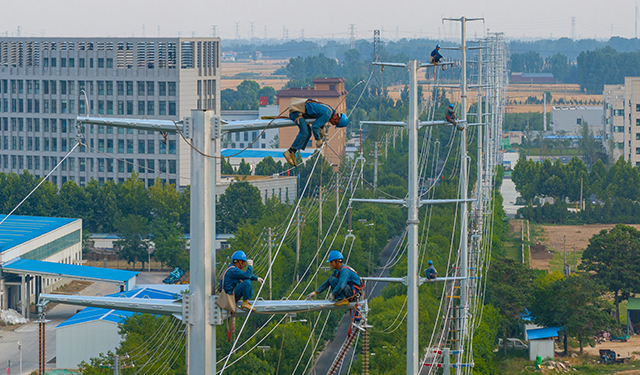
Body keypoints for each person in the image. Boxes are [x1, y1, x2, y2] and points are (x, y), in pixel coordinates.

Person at [283, 100, 349, 167]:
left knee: (308, 133)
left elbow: (318, 121)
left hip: (300, 112)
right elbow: (314, 126)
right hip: (296, 113)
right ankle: (289, 151)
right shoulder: (327, 115)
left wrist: (321, 129)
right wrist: (318, 139)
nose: (333, 124)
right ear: (337, 118)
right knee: (305, 133)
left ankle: (293, 152)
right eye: (335, 123)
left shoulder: (329, 110)